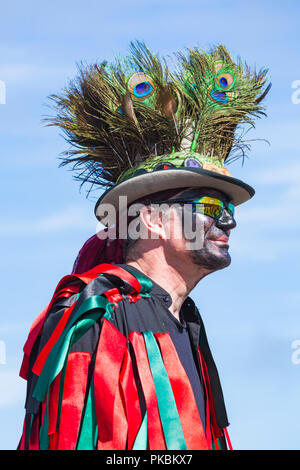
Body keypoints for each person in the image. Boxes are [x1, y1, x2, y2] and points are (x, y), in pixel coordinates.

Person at [18, 42, 270, 450]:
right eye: (208, 205)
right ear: (150, 218)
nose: (229, 219)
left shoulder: (185, 321)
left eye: (227, 207)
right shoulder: (98, 317)